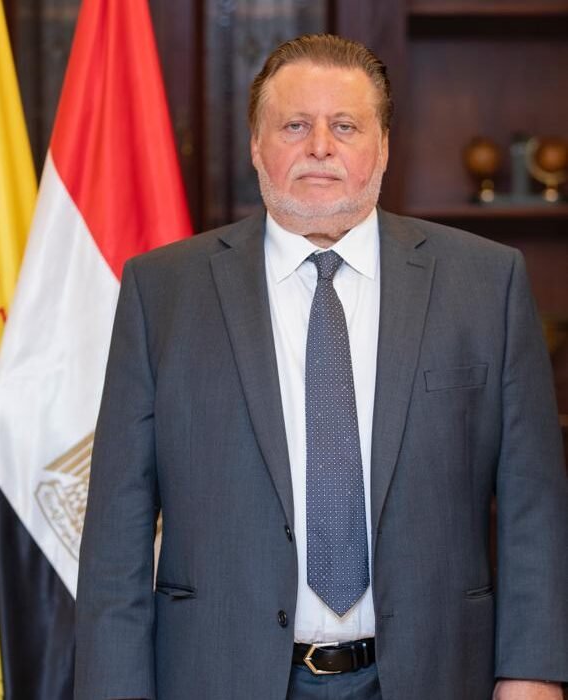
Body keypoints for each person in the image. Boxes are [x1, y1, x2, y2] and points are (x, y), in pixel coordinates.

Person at [74, 34, 568, 700]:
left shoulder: (486, 283)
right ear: (256, 145)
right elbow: (117, 530)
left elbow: (534, 504)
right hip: (219, 675)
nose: (320, 147)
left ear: (383, 147)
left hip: (436, 671)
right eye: (294, 125)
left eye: (345, 126)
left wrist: (532, 672)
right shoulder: (162, 291)